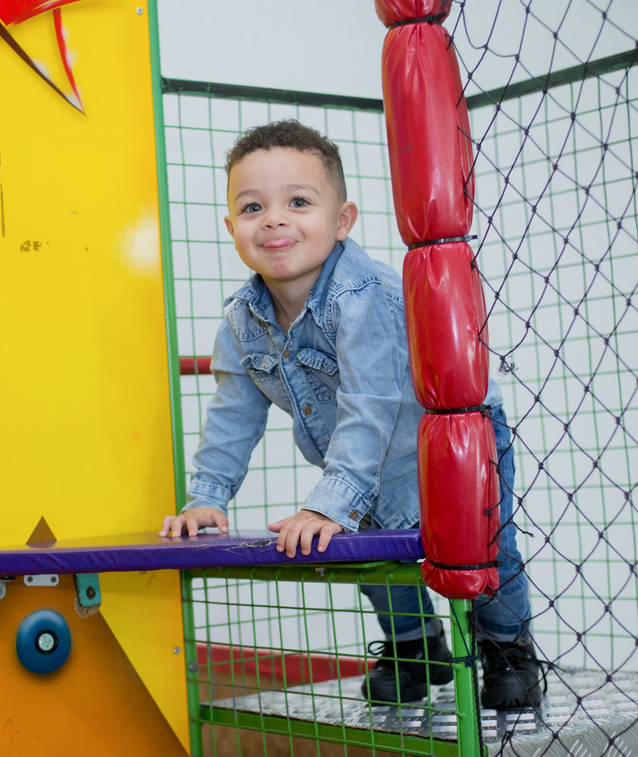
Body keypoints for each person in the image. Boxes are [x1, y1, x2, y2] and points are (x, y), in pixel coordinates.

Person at [159, 120, 540, 709]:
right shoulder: (240, 322)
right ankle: (416, 648)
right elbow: (232, 417)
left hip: (453, 444)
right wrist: (207, 496)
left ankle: (507, 647)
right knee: (370, 553)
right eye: (253, 206)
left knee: (484, 546)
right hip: (361, 462)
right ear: (232, 229)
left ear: (342, 221)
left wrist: (329, 499)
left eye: (299, 202)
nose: (276, 219)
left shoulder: (367, 299)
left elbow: (371, 404)